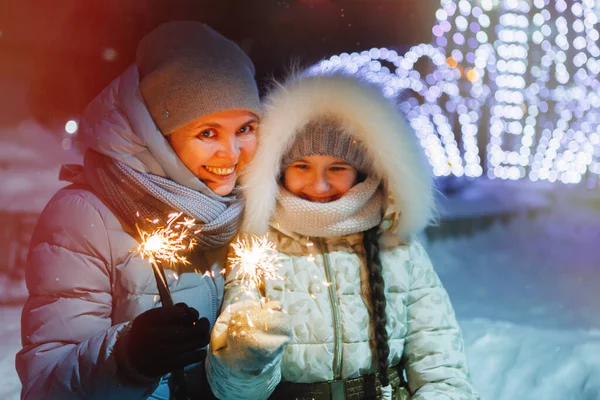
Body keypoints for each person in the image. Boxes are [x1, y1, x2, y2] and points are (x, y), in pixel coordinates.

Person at [16, 21, 261, 400]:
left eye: (245, 128)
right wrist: (125, 358)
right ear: (156, 133)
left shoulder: (242, 211)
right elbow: (45, 386)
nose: (231, 154)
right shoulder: (86, 217)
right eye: (207, 132)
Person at [205, 72, 480, 400]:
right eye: (302, 166)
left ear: (363, 171)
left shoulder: (395, 244)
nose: (319, 186)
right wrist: (246, 357)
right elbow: (234, 392)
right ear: (279, 169)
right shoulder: (256, 247)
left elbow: (440, 362)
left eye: (337, 168)